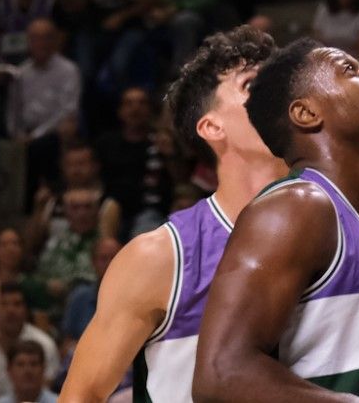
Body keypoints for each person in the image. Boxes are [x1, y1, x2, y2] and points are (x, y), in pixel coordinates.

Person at [54, 33, 280, 403]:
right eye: (255, 83)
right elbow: (82, 395)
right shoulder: (161, 256)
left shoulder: (348, 239)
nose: (279, 90)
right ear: (212, 127)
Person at [192, 39, 359, 402]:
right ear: (306, 114)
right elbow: (221, 373)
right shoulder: (298, 205)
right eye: (349, 70)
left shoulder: (357, 232)